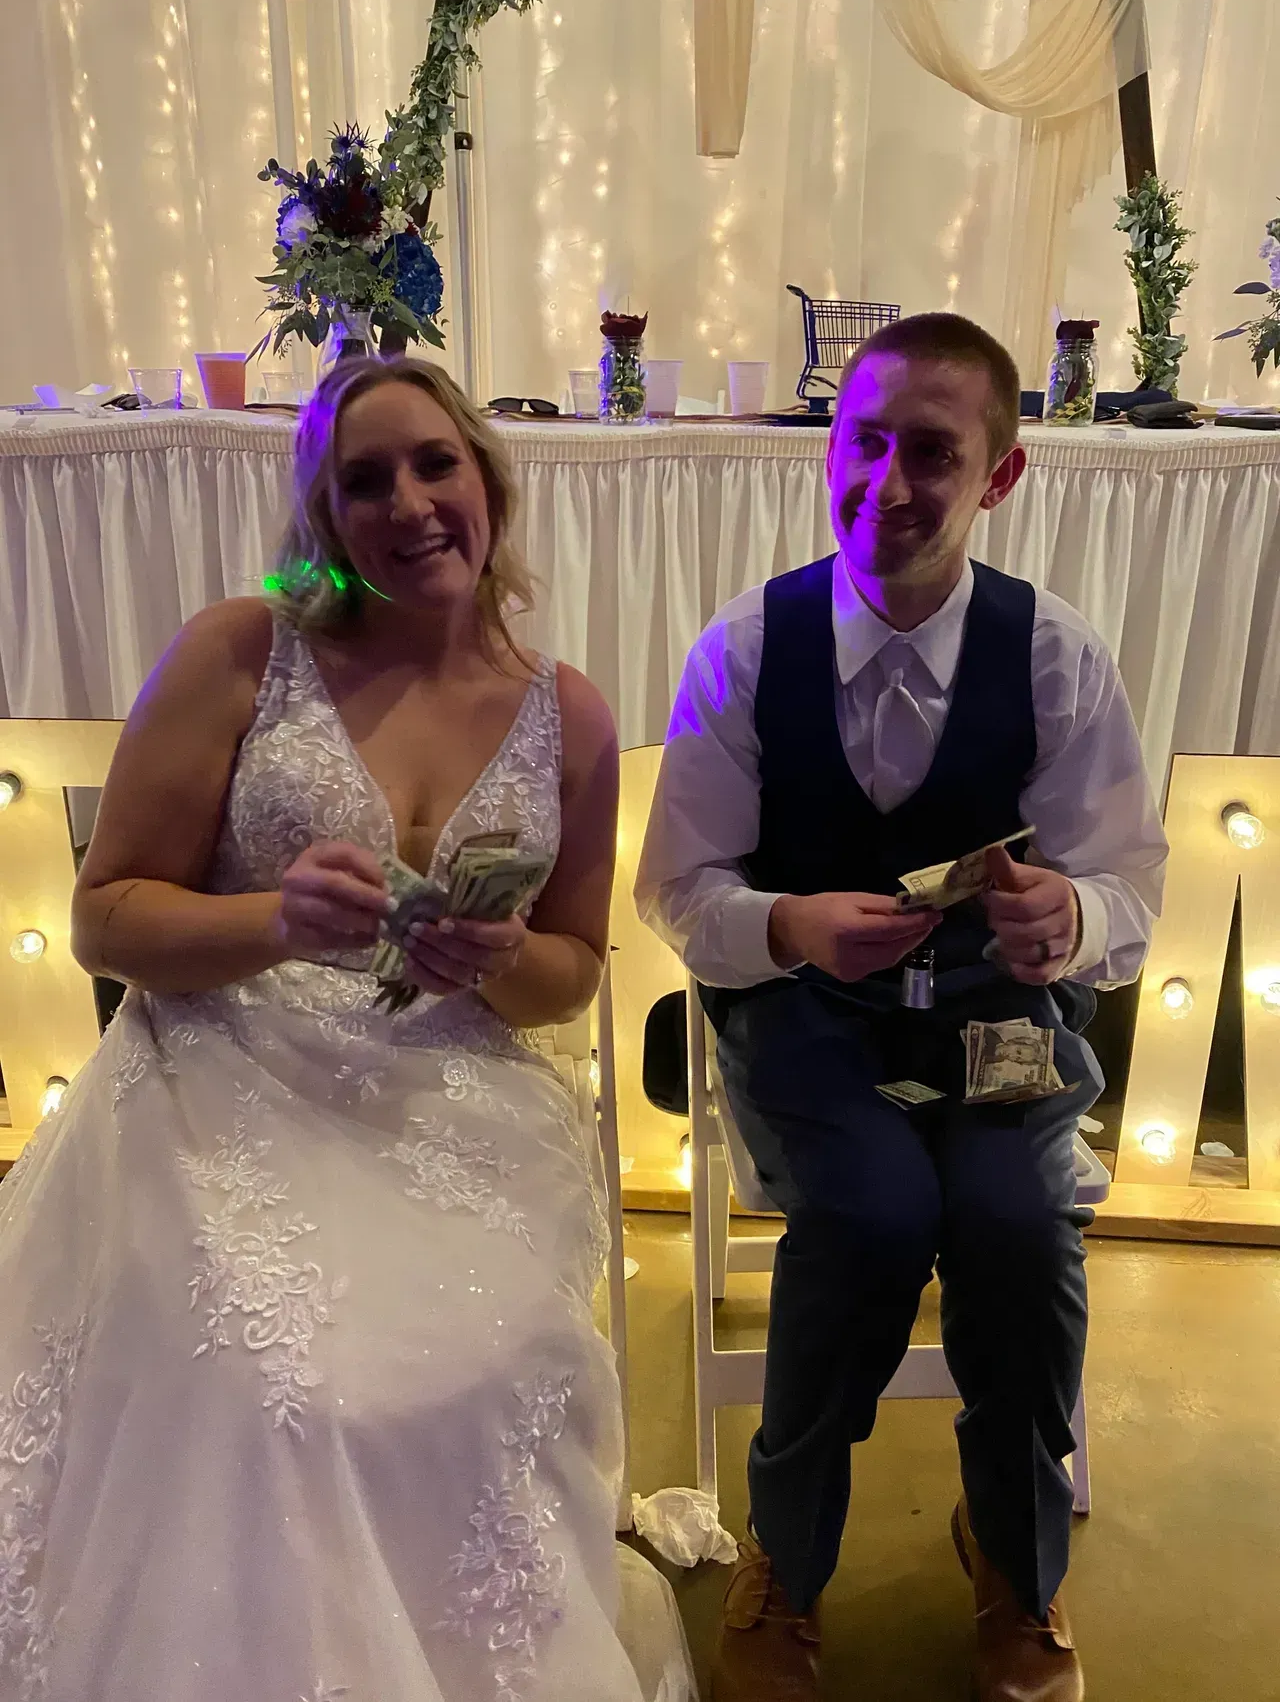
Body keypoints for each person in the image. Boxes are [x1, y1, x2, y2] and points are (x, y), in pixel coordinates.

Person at [0, 357, 694, 1702]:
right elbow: (105, 918)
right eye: (363, 481)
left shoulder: (571, 713)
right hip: (218, 1069)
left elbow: (570, 974)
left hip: (458, 1096)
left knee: (499, 1360)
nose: (409, 504)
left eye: (435, 463)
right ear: (323, 516)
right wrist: (276, 918)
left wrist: (497, 959)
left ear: (487, 480)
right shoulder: (241, 650)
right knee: (281, 1382)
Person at [636, 314, 1168, 1702]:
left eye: (932, 451)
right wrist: (788, 923)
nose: (888, 482)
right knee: (872, 1216)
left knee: (1018, 1223)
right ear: (832, 446)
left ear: (1002, 475)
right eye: (864, 442)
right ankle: (787, 1556)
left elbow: (1127, 880)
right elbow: (678, 886)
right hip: (805, 1017)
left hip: (1000, 1022)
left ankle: (1015, 1560)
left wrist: (1072, 916)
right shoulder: (748, 645)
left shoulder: (1052, 656)